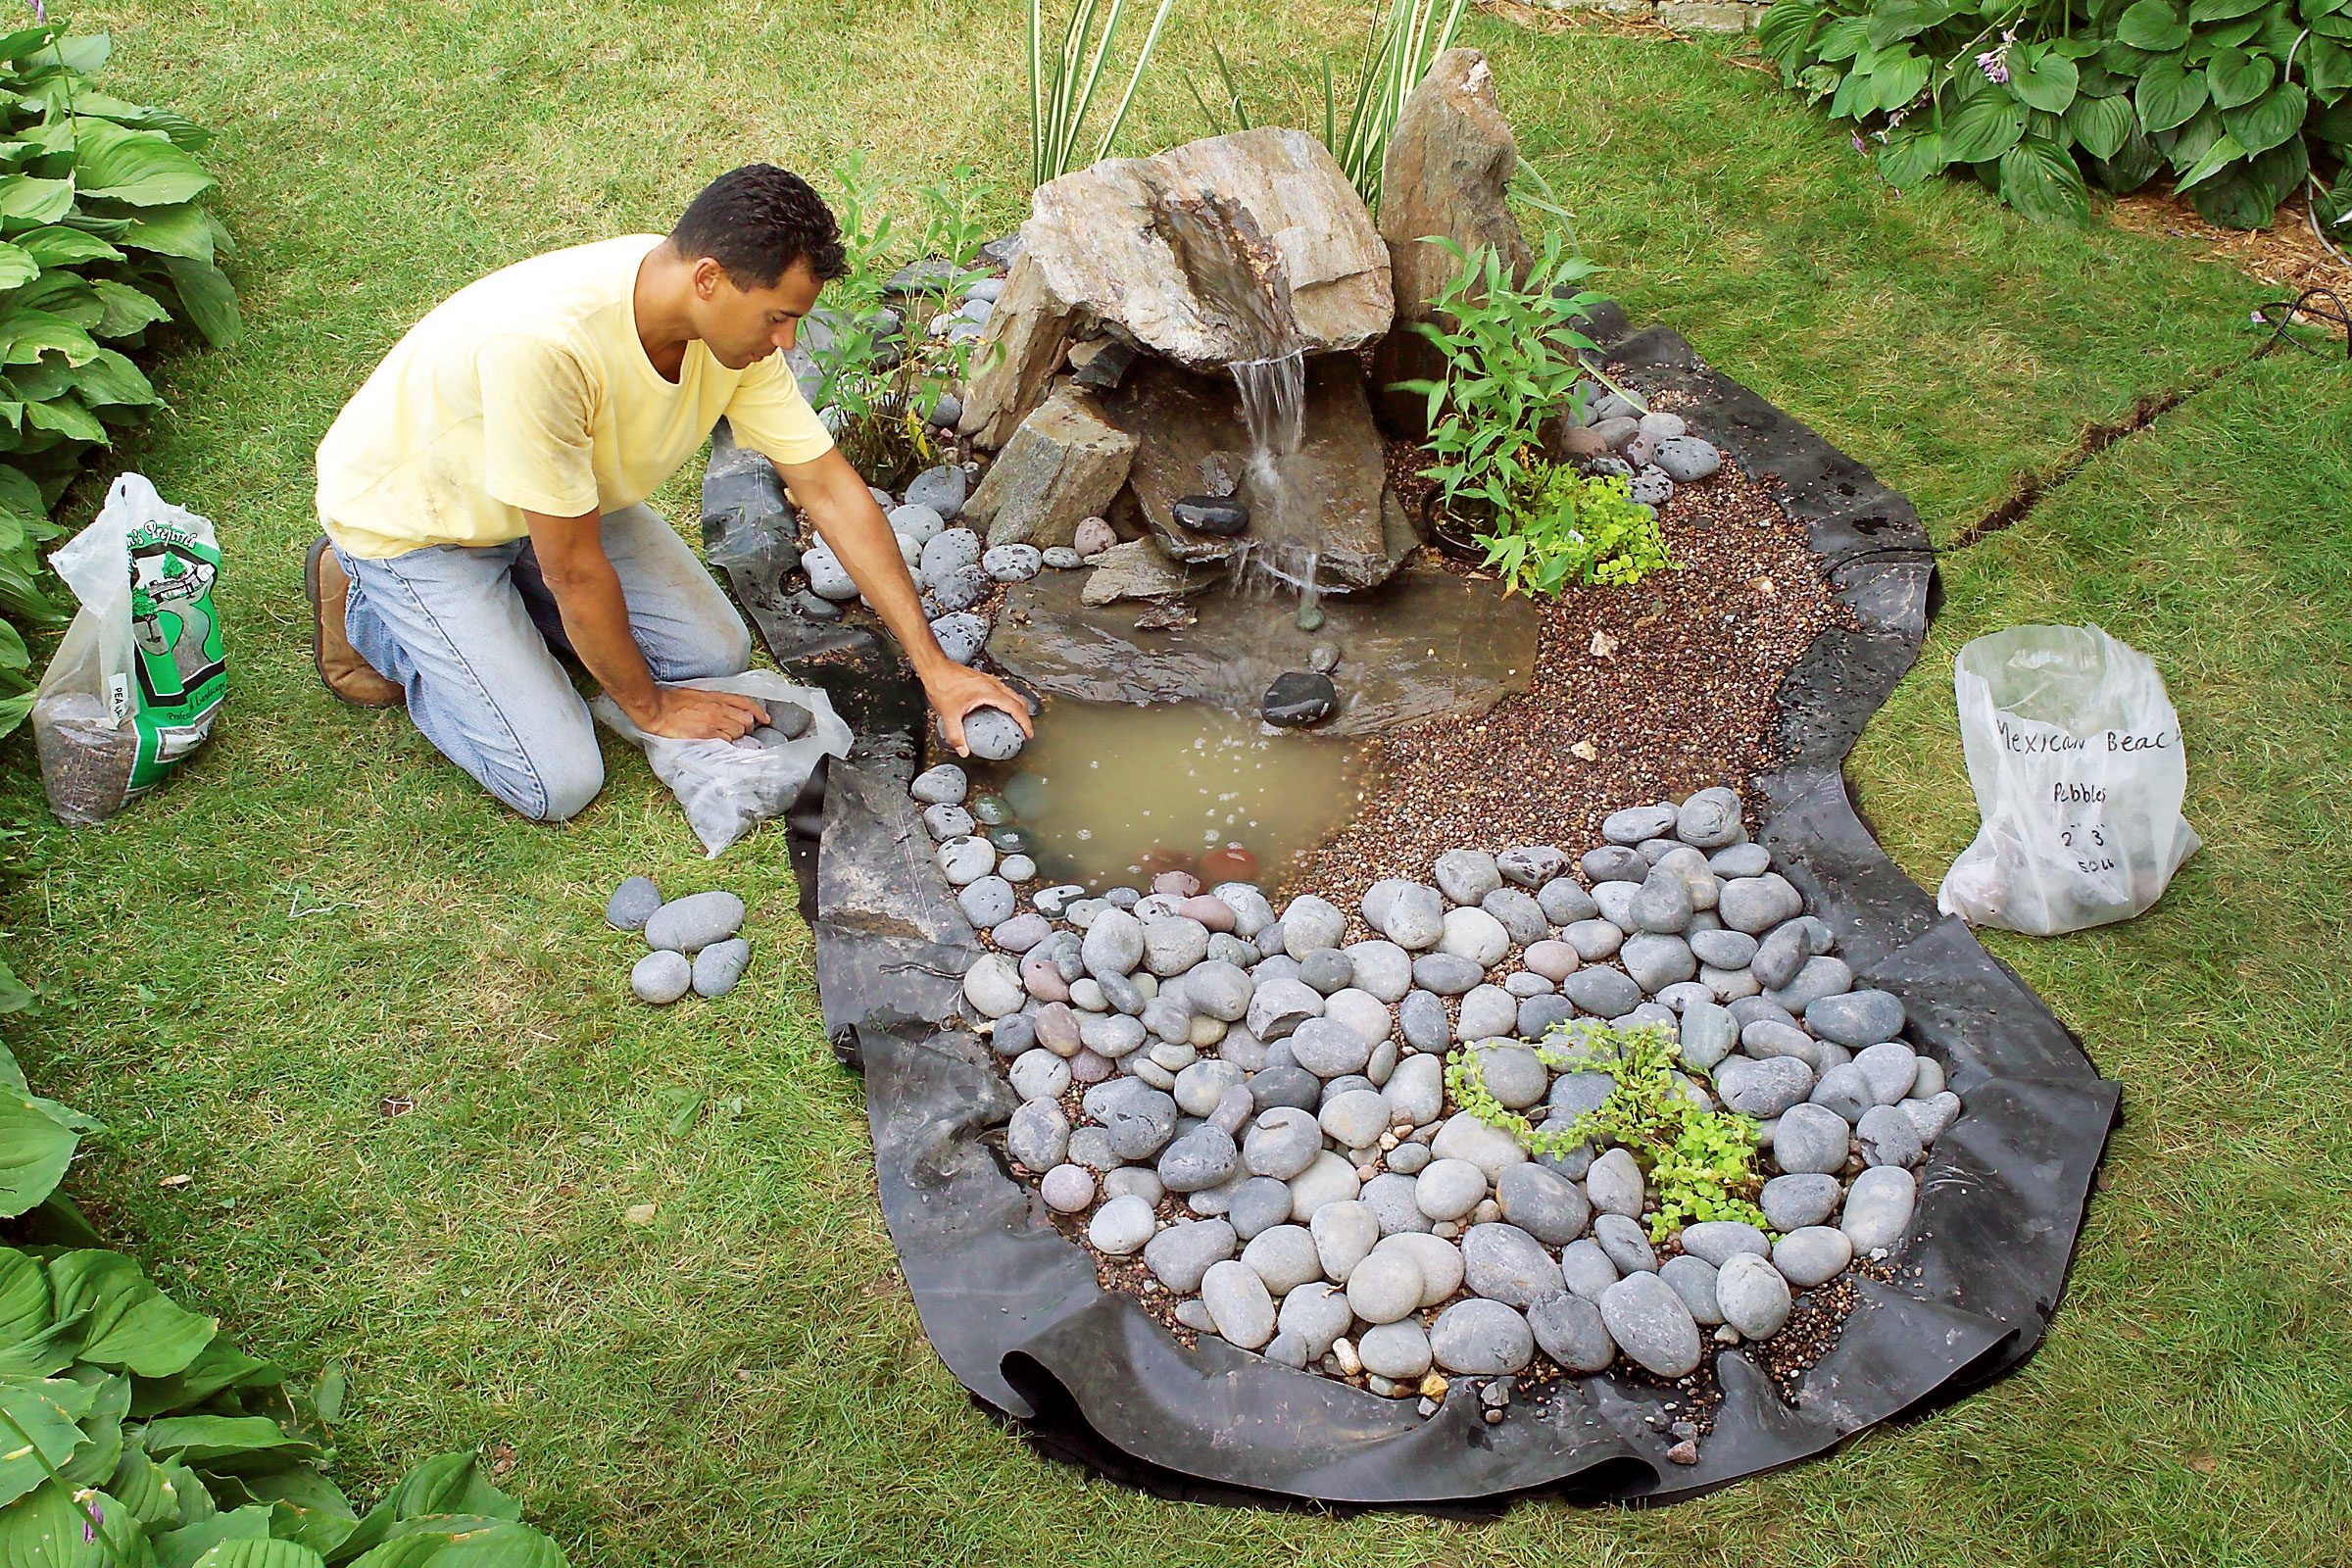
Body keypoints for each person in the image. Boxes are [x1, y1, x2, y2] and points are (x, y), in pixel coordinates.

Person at [306, 164, 1028, 821]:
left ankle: (505, 618)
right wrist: (649, 708)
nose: (786, 342)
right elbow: (574, 571)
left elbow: (828, 488)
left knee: (713, 649)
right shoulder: (548, 347)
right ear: (708, 279)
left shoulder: (723, 332)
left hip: (553, 504)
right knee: (555, 781)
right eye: (778, 316)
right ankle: (366, 602)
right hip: (420, 524)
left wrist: (935, 667)